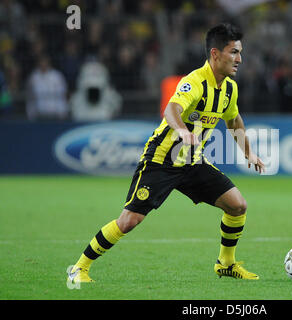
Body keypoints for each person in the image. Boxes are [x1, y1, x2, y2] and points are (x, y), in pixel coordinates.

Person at [68, 23, 265, 283]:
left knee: (238, 205)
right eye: (233, 52)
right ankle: (79, 267)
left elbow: (234, 120)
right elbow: (171, 110)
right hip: (161, 160)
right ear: (215, 54)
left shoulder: (230, 88)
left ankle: (226, 263)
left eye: (240, 52)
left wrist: (248, 153)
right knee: (129, 221)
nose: (240, 59)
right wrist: (183, 131)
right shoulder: (194, 82)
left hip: (192, 162)